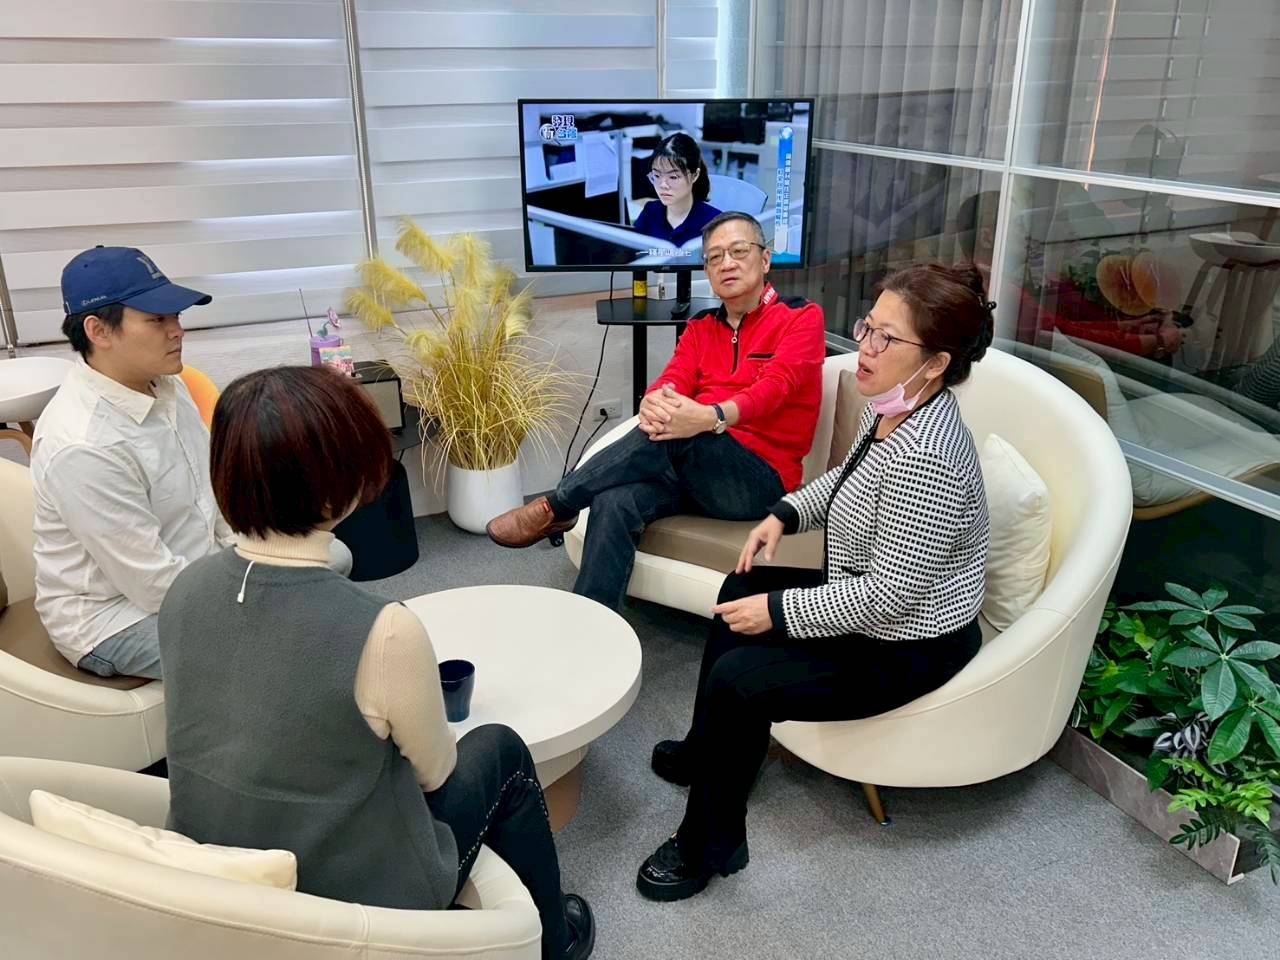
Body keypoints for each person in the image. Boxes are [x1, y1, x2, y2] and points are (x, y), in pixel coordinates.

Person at [159, 366, 595, 960]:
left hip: (215, 874)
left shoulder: (183, 591)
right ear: (339, 484)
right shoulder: (383, 629)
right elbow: (435, 774)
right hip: (353, 900)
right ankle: (555, 942)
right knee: (500, 750)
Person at [635, 262, 994, 902]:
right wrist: (784, 512)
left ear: (936, 362)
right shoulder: (893, 410)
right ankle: (705, 750)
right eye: (868, 327)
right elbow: (846, 480)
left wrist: (779, 613)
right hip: (865, 595)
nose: (865, 347)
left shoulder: (929, 455)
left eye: (887, 338)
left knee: (740, 678)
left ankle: (709, 844)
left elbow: (889, 597)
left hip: (910, 642)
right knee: (737, 589)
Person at [486, 211, 827, 611]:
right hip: (694, 473)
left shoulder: (801, 317)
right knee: (614, 500)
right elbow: (674, 378)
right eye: (715, 257)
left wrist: (711, 417)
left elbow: (775, 388)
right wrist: (654, 399)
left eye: (738, 251)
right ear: (707, 270)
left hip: (758, 480)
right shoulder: (701, 327)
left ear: (765, 259)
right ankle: (593, 623)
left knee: (685, 435)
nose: (727, 264)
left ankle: (558, 505)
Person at [30, 246, 226, 679]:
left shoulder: (166, 385)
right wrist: (258, 595)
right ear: (99, 331)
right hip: (115, 618)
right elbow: (153, 584)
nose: (178, 331)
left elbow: (212, 496)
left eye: (176, 316)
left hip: (195, 570)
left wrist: (259, 561)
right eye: (157, 320)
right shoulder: (83, 445)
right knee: (278, 645)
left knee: (328, 561)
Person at [631, 132, 722, 248]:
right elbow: (632, 251)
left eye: (673, 177)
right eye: (657, 176)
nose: (663, 185)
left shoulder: (716, 223)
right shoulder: (650, 211)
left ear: (694, 175)